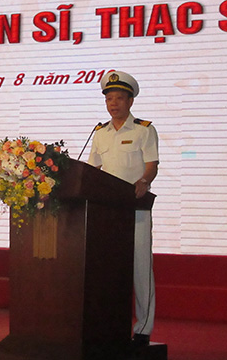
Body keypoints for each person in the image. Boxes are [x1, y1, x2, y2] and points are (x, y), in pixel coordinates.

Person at [87, 70, 159, 348]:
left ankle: (143, 328)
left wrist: (144, 181)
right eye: (109, 99)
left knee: (140, 268)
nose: (113, 103)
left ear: (130, 101)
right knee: (107, 269)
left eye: (118, 98)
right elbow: (91, 171)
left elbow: (151, 165)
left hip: (135, 207)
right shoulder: (99, 133)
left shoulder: (144, 130)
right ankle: (109, 325)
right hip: (106, 212)